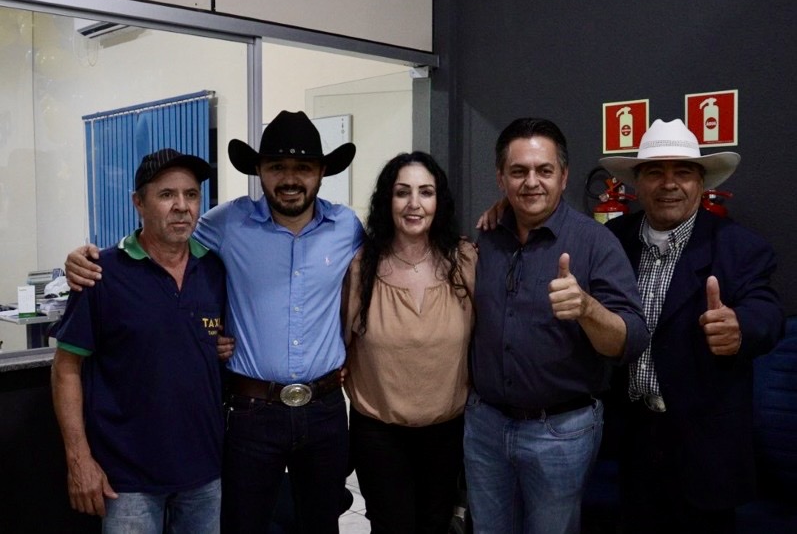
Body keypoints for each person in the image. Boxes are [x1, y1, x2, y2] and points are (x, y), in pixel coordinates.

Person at [65, 111, 363, 533]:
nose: (290, 178)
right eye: (277, 167)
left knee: (321, 524)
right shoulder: (225, 224)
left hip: (326, 409)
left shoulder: (348, 227)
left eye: (303, 168)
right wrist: (83, 259)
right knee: (242, 525)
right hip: (252, 412)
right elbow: (160, 241)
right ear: (259, 171)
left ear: (321, 172)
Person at [599, 118, 784, 533]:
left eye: (682, 172)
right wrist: (504, 210)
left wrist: (741, 326)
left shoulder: (740, 247)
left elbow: (767, 311)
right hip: (634, 442)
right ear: (636, 183)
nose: (669, 184)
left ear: (701, 183)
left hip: (707, 450)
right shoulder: (612, 239)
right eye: (654, 172)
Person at [465, 117, 649, 534]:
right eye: (519, 171)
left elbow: (632, 339)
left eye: (544, 170)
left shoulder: (595, 243)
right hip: (485, 427)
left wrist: (587, 308)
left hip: (560, 432)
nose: (532, 182)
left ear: (563, 176)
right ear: (501, 178)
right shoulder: (486, 237)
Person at [52, 148, 227, 532]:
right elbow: (66, 368)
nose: (182, 206)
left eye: (191, 195)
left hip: (204, 471)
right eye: (167, 195)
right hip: (126, 478)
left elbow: (207, 341)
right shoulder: (101, 274)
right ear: (138, 203)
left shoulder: (213, 269)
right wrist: (79, 459)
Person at [343, 151, 475, 533]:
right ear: (388, 200)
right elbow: (339, 344)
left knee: (437, 524)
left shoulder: (464, 260)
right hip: (379, 434)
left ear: (440, 201)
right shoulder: (361, 267)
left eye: (426, 192)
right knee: (391, 527)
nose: (414, 204)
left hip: (448, 430)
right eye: (403, 192)